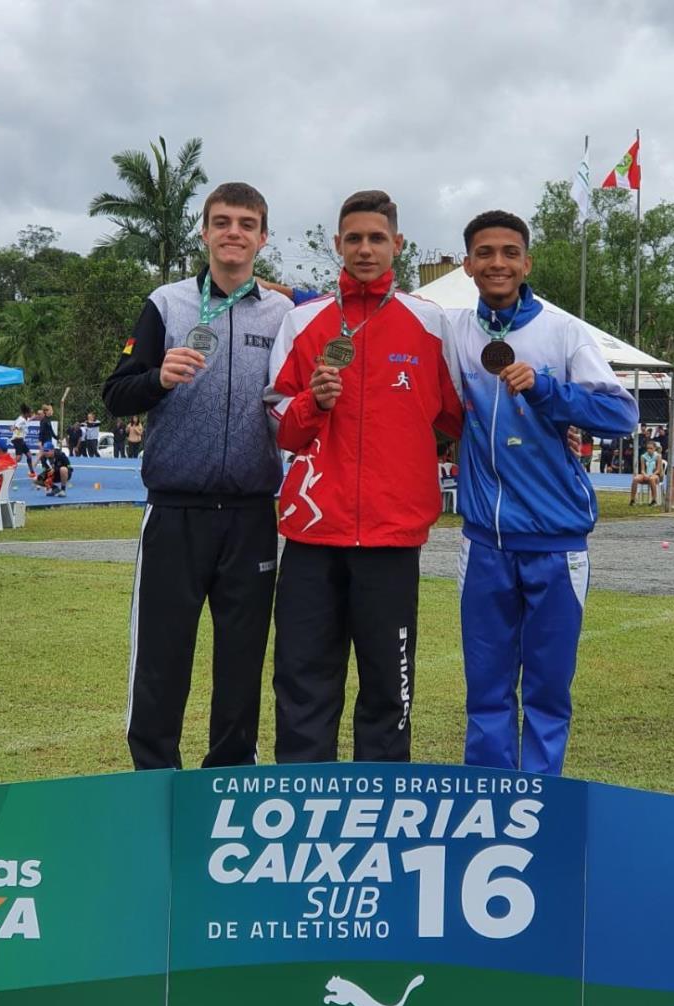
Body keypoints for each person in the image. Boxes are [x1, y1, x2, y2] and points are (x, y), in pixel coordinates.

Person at [265, 189, 463, 765]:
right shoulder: (304, 322)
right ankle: (301, 806)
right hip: (310, 537)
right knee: (303, 682)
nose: (366, 248)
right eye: (354, 238)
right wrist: (310, 404)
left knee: (387, 689)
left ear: (399, 245)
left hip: (392, 537)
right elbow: (277, 417)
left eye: (377, 238)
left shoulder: (430, 325)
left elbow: (461, 416)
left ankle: (381, 807)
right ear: (337, 246)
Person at [103, 181, 291, 771]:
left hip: (251, 513)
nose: (233, 232)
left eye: (246, 223)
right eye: (222, 221)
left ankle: (230, 776)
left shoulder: (283, 312)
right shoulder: (167, 304)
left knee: (241, 659)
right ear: (205, 232)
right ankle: (154, 779)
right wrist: (158, 376)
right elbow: (115, 394)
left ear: (262, 237)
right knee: (162, 656)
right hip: (175, 511)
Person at [446, 209, 637, 775]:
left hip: (556, 545)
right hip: (484, 543)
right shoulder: (454, 330)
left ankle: (540, 802)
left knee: (548, 694)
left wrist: (548, 389)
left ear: (526, 263)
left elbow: (621, 414)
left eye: (509, 252)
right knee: (485, 691)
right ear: (468, 265)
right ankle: (487, 799)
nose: (497, 262)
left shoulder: (563, 331)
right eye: (485, 253)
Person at [630, 440, 663, 506]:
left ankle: (654, 500)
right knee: (635, 479)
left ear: (654, 448)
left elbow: (658, 470)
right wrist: (645, 475)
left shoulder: (658, 456)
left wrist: (651, 475)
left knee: (651, 479)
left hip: (656, 475)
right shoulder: (643, 456)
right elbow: (642, 470)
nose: (649, 450)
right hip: (646, 475)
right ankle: (632, 500)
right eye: (648, 448)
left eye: (651, 448)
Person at [10, 405, 37, 477]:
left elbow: (28, 420)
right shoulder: (21, 420)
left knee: (29, 455)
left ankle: (32, 472)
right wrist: (13, 428)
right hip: (17, 439)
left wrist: (33, 417)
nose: (31, 413)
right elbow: (16, 426)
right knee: (18, 458)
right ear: (26, 413)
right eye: (30, 412)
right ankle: (8, 471)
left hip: (21, 440)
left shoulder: (23, 418)